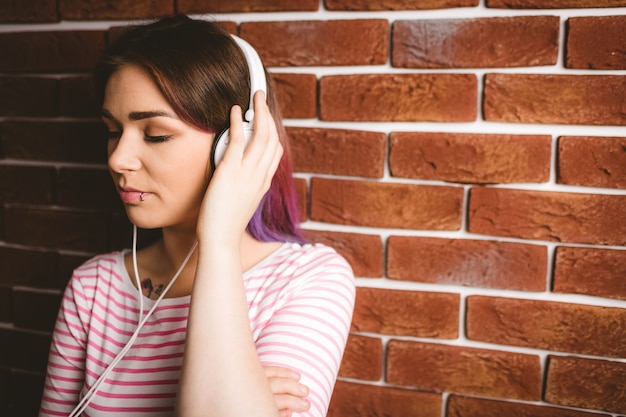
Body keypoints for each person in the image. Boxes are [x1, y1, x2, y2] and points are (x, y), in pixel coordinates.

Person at [39, 14, 355, 417]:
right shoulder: (92, 289)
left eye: (155, 134)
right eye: (113, 131)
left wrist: (219, 241)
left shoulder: (308, 279)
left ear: (234, 145)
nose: (118, 159)